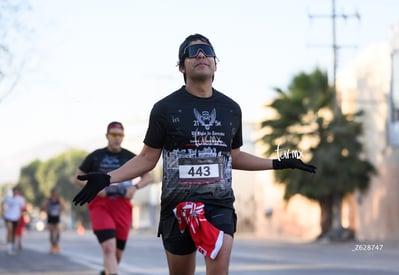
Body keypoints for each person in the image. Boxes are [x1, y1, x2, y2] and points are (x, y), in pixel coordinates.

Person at [73, 34, 316, 275]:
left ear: (215, 65)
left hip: (218, 204)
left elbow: (234, 156)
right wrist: (107, 178)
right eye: (192, 52)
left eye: (207, 51)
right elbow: (147, 158)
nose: (200, 55)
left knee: (220, 264)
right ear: (181, 66)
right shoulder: (164, 109)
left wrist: (277, 163)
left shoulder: (231, 109)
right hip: (176, 208)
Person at [74, 121, 153, 275]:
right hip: (100, 205)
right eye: (114, 135)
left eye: (120, 135)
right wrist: (95, 190)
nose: (117, 138)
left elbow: (148, 176)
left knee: (116, 254)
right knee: (109, 246)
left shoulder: (129, 156)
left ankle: (107, 272)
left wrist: (134, 187)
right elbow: (77, 177)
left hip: (122, 205)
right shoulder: (96, 156)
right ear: (107, 136)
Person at [1, 186, 26, 255]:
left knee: (14, 232)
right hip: (8, 217)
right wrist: (2, 211)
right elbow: (2, 202)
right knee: (10, 231)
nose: (14, 192)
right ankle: (9, 246)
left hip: (16, 218)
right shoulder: (8, 198)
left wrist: (20, 216)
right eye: (13, 191)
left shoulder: (20, 199)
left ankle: (11, 245)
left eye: (16, 191)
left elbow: (23, 209)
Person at [43, 187, 65, 254]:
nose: (54, 194)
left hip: (57, 217)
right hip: (50, 217)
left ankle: (56, 244)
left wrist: (60, 211)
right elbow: (45, 208)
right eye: (53, 193)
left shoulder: (59, 200)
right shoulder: (48, 200)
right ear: (51, 193)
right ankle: (52, 246)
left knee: (58, 231)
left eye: (55, 193)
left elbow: (63, 207)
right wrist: (48, 210)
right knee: (51, 232)